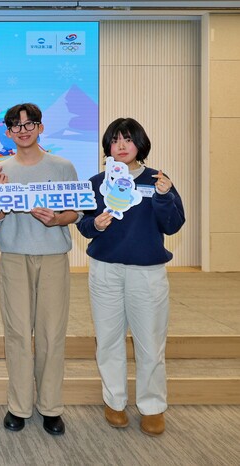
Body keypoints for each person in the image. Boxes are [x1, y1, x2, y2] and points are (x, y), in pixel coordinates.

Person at [76, 118, 185, 437]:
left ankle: (152, 406)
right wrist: (95, 225)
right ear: (107, 147)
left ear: (140, 144)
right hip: (105, 271)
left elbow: (173, 225)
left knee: (150, 342)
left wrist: (164, 197)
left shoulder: (158, 180)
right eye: (115, 140)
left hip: (147, 273)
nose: (121, 146)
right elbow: (83, 225)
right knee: (108, 340)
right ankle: (114, 401)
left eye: (127, 139)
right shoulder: (98, 182)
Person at [0, 102, 80, 436]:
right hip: (14, 257)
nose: (23, 131)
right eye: (16, 126)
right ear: (8, 132)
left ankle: (51, 407)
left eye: (29, 124)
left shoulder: (63, 166)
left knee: (52, 333)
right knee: (18, 332)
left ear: (40, 127)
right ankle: (19, 406)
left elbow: (75, 212)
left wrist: (57, 220)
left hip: (53, 255)